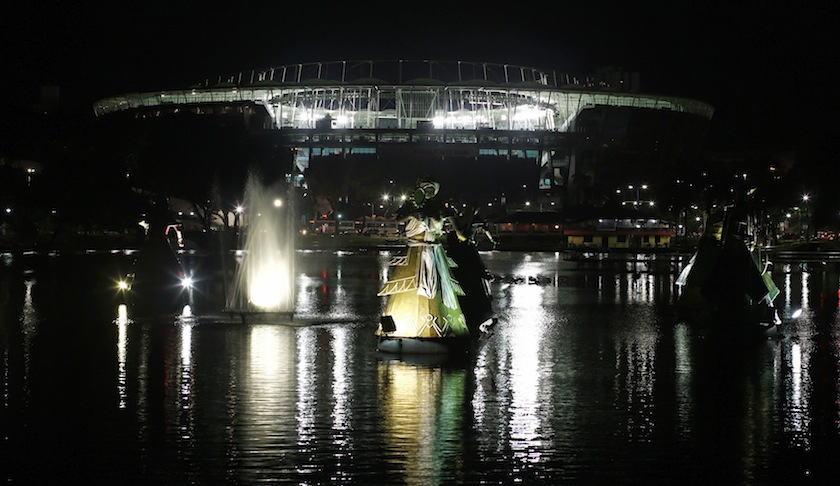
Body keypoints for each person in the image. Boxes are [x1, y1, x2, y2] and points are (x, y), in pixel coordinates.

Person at [376, 178, 470, 343]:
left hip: (434, 253)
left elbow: (459, 231)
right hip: (416, 253)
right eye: (425, 189)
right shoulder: (411, 207)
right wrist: (411, 215)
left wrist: (465, 232)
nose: (428, 193)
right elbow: (396, 220)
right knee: (413, 286)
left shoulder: (440, 209)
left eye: (431, 190)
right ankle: (405, 329)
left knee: (437, 289)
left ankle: (443, 329)